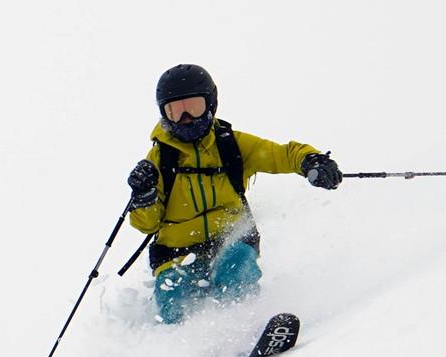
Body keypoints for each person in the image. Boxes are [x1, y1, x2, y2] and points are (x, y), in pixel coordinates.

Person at [127, 64, 342, 324]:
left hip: (229, 238)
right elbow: (146, 225)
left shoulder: (230, 145)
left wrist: (310, 160)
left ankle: (244, 327)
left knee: (235, 269)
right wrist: (143, 196)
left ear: (210, 104)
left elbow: (280, 154)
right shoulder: (158, 161)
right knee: (173, 294)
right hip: (176, 252)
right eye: (175, 111)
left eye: (193, 108)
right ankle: (184, 351)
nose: (186, 118)